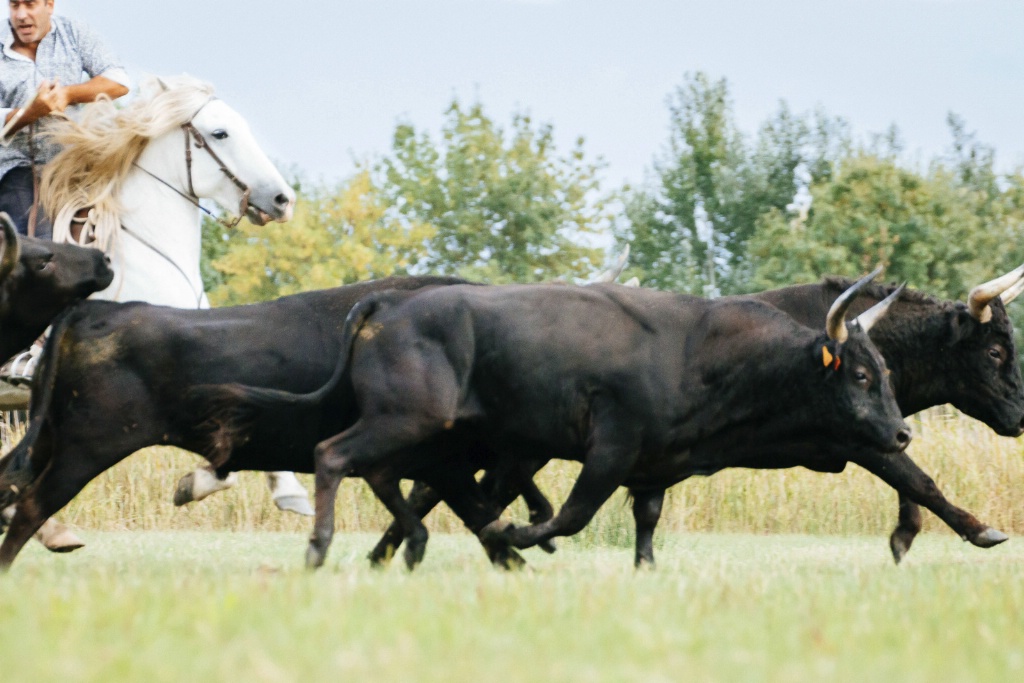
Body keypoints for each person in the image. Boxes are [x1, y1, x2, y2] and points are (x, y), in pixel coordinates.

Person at [0, 0, 129, 239]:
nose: (21, 15)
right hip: (17, 171)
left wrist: (68, 94)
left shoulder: (74, 32)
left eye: (30, 4)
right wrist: (29, 113)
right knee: (38, 247)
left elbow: (118, 81)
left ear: (49, 5)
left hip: (73, 165)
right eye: (14, 5)